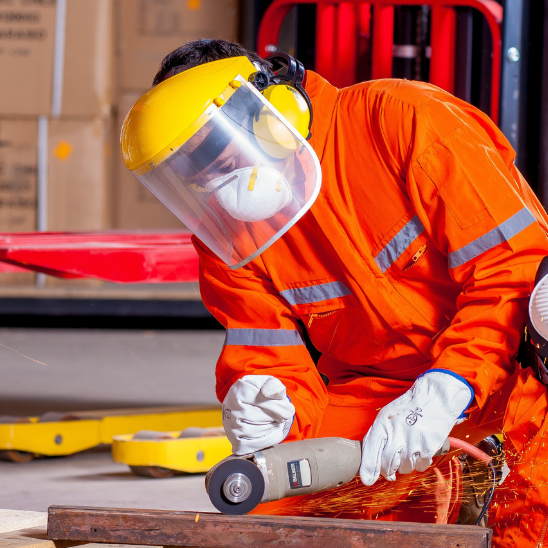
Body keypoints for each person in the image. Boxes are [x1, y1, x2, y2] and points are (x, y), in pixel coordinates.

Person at [120, 38, 548, 547]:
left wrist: (448, 385)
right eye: (189, 170)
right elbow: (266, 351)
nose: (210, 179)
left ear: (270, 108)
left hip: (515, 362)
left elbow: (513, 268)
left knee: (535, 501)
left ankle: (498, 501)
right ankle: (452, 484)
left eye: (212, 149)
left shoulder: (403, 120)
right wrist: (262, 401)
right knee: (277, 507)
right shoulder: (229, 235)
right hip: (383, 389)